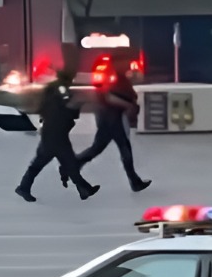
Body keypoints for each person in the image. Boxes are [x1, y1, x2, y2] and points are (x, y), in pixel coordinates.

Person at [62, 58, 151, 193]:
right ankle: (134, 182)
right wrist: (128, 105)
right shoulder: (118, 80)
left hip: (108, 118)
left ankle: (72, 165)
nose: (127, 66)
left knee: (97, 148)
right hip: (113, 119)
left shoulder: (118, 79)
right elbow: (110, 97)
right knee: (124, 148)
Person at [16, 71, 100, 201]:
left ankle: (84, 189)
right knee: (42, 163)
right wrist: (77, 104)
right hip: (55, 134)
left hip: (54, 132)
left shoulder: (52, 90)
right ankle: (23, 188)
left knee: (67, 163)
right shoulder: (60, 90)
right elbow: (67, 107)